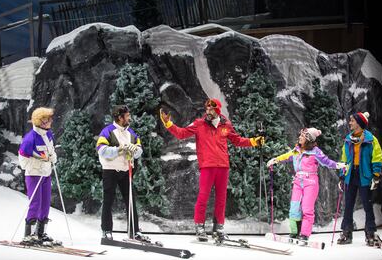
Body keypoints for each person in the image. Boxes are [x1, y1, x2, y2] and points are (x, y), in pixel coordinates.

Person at [160, 98, 265, 241]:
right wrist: (168, 123)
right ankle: (200, 227)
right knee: (203, 196)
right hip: (207, 166)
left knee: (221, 199)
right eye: (207, 109)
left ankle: (218, 228)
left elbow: (238, 140)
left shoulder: (225, 125)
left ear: (217, 110)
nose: (208, 111)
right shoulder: (199, 124)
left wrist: (254, 141)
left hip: (223, 166)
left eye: (211, 109)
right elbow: (181, 133)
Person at [267, 127, 346, 243]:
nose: (299, 137)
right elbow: (288, 156)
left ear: (308, 139)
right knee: (294, 208)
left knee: (307, 208)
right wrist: (276, 160)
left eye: (302, 136)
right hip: (298, 182)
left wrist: (338, 165)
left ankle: (304, 234)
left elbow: (326, 162)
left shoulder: (315, 152)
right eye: (300, 135)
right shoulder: (297, 150)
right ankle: (295, 232)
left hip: (311, 183)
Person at [96, 105, 149, 242]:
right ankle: (106, 230)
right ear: (120, 117)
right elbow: (101, 150)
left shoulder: (131, 133)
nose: (129, 118)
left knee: (131, 201)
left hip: (126, 171)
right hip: (110, 170)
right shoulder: (107, 131)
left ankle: (134, 231)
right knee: (108, 201)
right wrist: (119, 149)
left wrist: (135, 150)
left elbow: (139, 151)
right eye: (127, 116)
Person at [337, 112, 382, 246]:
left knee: (367, 205)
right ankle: (346, 233)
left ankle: (370, 233)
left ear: (359, 123)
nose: (350, 123)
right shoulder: (348, 139)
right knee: (348, 205)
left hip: (365, 175)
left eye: (352, 121)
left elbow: (377, 157)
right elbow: (345, 158)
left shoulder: (371, 139)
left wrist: (376, 175)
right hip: (351, 175)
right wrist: (342, 175)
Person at [18, 107, 57, 245]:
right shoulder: (30, 138)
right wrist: (38, 161)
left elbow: (51, 150)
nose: (51, 120)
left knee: (45, 203)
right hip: (34, 175)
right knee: (35, 203)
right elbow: (23, 161)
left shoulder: (48, 134)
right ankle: (29, 234)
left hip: (46, 174)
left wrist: (53, 157)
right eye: (48, 119)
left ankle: (40, 233)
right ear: (41, 121)